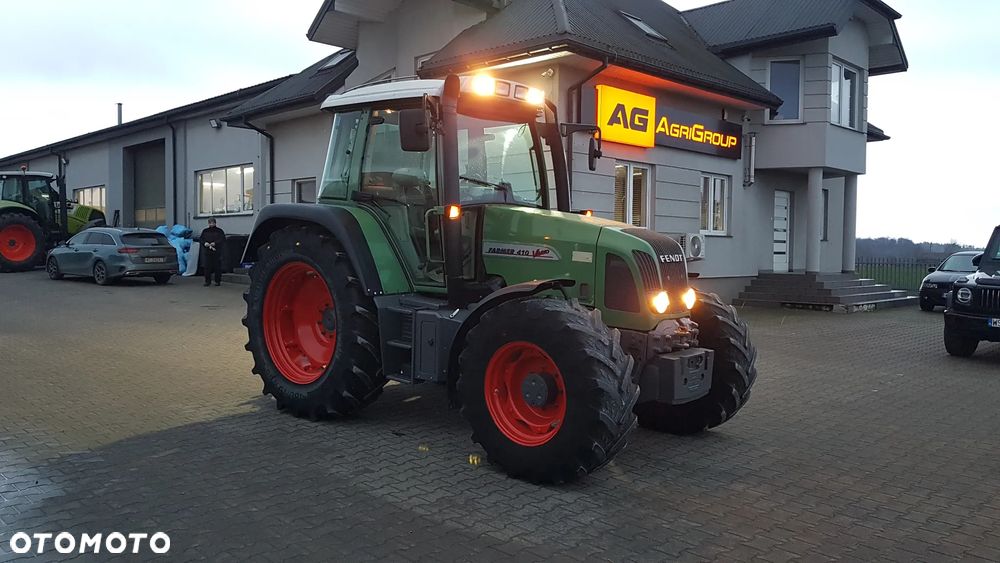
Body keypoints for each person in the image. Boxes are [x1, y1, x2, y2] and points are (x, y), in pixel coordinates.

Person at [199, 218, 226, 286]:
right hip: (207, 251)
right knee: (207, 267)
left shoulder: (219, 231)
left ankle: (217, 281)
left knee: (217, 267)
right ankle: (207, 281)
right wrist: (205, 243)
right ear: (208, 223)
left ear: (215, 223)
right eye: (210, 223)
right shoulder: (205, 231)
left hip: (217, 252)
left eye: (213, 223)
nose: (211, 224)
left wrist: (215, 243)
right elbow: (201, 239)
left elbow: (222, 239)